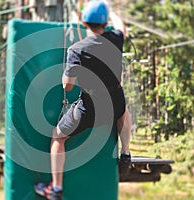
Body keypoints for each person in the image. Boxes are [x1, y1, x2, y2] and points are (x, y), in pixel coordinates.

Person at [34, 1, 132, 199]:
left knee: (57, 137)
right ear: (105, 23)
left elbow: (67, 86)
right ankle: (126, 154)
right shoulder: (116, 38)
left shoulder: (77, 50)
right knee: (124, 112)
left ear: (84, 22)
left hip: (91, 107)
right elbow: (122, 27)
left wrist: (66, 74)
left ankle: (56, 189)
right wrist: (110, 12)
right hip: (115, 101)